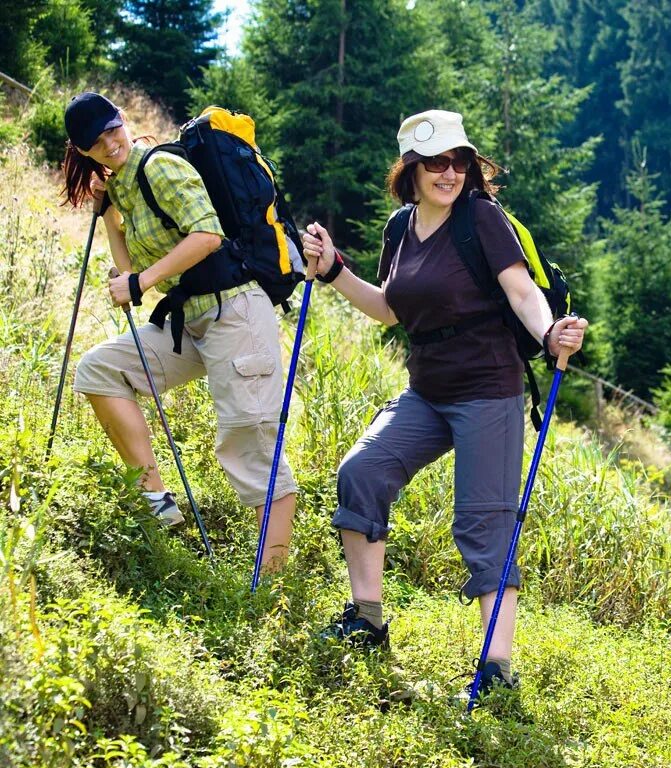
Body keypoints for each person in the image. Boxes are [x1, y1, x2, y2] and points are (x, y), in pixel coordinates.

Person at [301, 110, 588, 694]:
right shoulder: (400, 228)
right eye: (434, 163)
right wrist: (333, 271)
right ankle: (367, 619)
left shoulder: (480, 218)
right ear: (410, 170)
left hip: (489, 389)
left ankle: (496, 670)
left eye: (457, 161)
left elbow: (520, 288)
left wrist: (548, 333)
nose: (448, 172)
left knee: (485, 525)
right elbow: (389, 308)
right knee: (362, 471)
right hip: (428, 390)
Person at [60, 91, 297, 570]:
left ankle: (273, 585)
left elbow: (207, 236)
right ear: (83, 150)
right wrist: (110, 219)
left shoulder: (157, 166)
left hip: (235, 312)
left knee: (248, 441)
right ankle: (157, 501)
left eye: (112, 130)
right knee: (99, 371)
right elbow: (130, 273)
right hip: (191, 320)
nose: (109, 144)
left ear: (123, 121)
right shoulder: (123, 186)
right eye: (96, 142)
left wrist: (140, 280)